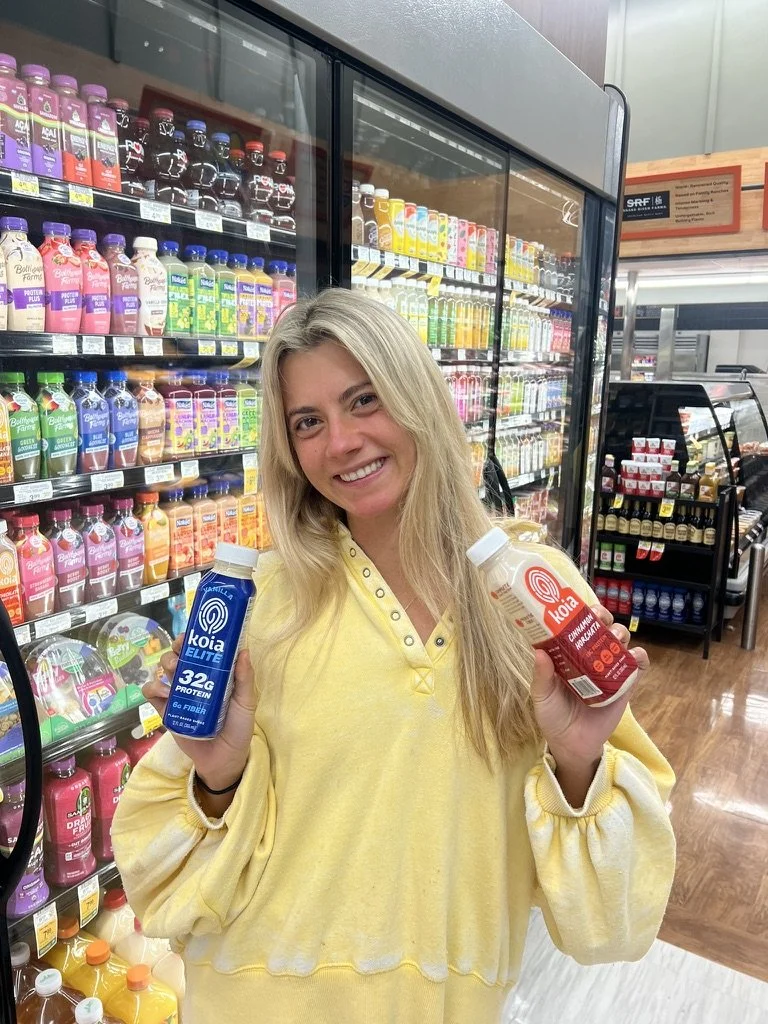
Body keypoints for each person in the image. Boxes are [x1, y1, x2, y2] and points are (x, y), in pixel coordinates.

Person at [112, 289, 675, 1024]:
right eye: (307, 422)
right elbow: (163, 891)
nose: (339, 442)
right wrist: (220, 778)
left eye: (364, 400)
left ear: (420, 398)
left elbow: (615, 923)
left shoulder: (535, 595)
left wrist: (579, 762)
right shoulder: (257, 604)